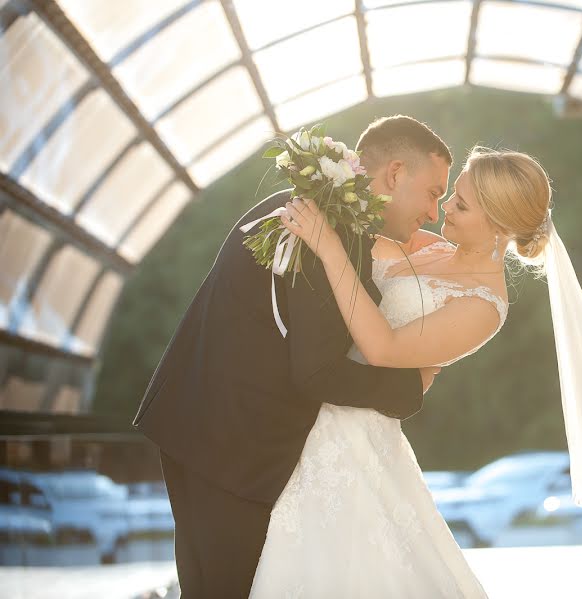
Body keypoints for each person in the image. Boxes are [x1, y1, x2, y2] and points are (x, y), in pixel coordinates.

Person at [251, 146, 582, 597]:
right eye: (452, 195)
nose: (444, 207)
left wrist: (328, 248)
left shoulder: (484, 307)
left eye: (460, 204)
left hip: (357, 436)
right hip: (306, 410)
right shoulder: (426, 245)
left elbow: (382, 347)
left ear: (500, 227)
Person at [132, 115, 452, 598]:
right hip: (228, 449)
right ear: (394, 174)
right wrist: (413, 384)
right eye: (433, 192)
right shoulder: (329, 229)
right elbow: (317, 371)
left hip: (203, 430)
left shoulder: (304, 206)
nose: (434, 211)